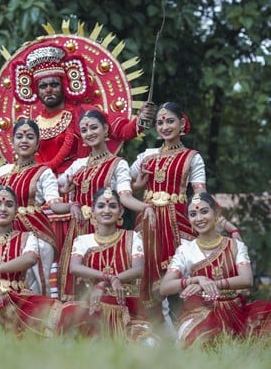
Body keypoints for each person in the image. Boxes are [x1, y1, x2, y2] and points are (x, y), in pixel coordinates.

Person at [0, 39, 156, 176]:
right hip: (42, 189)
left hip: (79, 183)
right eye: (43, 86)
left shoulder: (83, 113)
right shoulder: (32, 125)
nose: (49, 90)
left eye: (54, 84)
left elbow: (122, 131)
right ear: (36, 90)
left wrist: (141, 119)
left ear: (65, 85)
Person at [130, 102, 240, 311]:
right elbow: (124, 188)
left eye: (170, 121)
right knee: (145, 272)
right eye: (159, 123)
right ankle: (150, 328)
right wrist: (138, 185)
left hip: (177, 221)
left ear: (182, 123)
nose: (164, 127)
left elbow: (201, 196)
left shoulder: (192, 157)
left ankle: (188, 324)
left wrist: (224, 223)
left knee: (183, 271)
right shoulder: (146, 155)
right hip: (148, 222)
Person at [56, 109, 153, 300]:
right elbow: (57, 185)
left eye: (94, 127)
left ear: (105, 129)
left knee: (106, 279)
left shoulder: (119, 164)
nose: (89, 133)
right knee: (76, 288)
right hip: (80, 229)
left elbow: (124, 197)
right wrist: (67, 194)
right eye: (84, 130)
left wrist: (146, 207)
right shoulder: (78, 165)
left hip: (107, 230)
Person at [0, 186, 75, 335]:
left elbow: (29, 258)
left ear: (16, 211)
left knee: (56, 316)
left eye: (9, 205)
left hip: (21, 299)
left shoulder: (28, 237)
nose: (3, 209)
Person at [160, 193, 271, 346]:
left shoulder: (235, 245)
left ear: (217, 213)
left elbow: (246, 279)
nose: (199, 218)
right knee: (201, 338)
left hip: (235, 310)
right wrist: (196, 279)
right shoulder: (185, 250)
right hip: (200, 310)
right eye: (193, 214)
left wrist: (208, 284)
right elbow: (165, 287)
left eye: (204, 211)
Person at [0, 119, 69, 296]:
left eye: (30, 137)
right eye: (19, 136)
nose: (24, 140)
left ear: (37, 144)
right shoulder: (1, 172)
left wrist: (71, 206)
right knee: (0, 280)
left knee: (36, 287)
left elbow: (54, 204)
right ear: (13, 142)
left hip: (35, 233)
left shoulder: (44, 172)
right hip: (3, 232)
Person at [69, 188, 153, 341]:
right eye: (101, 206)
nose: (106, 210)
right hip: (93, 308)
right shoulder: (82, 241)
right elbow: (74, 268)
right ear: (92, 211)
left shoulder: (133, 237)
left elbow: (138, 269)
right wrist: (110, 278)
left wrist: (103, 283)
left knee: (147, 344)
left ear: (120, 212)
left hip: (128, 308)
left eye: (112, 206)